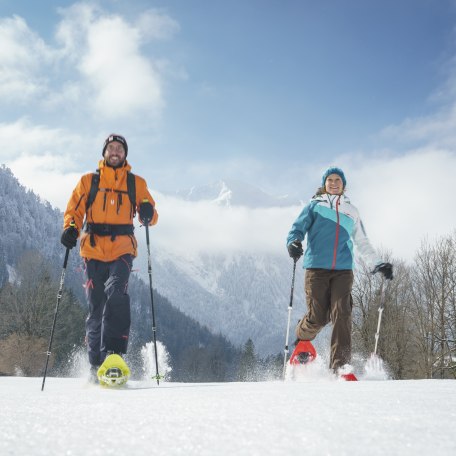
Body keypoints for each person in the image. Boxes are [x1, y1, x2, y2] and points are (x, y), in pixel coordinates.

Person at [61, 133, 158, 382]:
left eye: (120, 149)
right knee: (96, 309)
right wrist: (71, 228)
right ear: (104, 152)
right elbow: (74, 211)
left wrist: (147, 212)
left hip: (123, 249)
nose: (115, 152)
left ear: (125, 154)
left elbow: (150, 214)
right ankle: (96, 365)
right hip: (92, 251)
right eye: (111, 148)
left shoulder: (136, 183)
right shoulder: (88, 181)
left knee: (117, 293)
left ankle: (114, 356)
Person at [286, 167, 392, 375]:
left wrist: (377, 263)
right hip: (316, 269)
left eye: (338, 180)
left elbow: (362, 241)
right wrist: (293, 242)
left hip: (343, 270)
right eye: (330, 180)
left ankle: (340, 366)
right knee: (318, 317)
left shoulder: (351, 211)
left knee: (342, 312)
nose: (334, 183)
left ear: (344, 185)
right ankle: (302, 334)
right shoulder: (314, 206)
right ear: (324, 184)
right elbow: (297, 229)